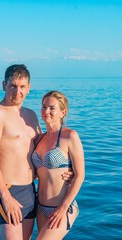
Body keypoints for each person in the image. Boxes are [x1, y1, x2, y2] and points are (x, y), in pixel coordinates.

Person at [0, 64, 73, 240]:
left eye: (22, 86)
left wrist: (67, 171)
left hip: (30, 190)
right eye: (13, 85)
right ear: (3, 85)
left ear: (29, 88)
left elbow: (45, 148)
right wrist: (5, 197)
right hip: (8, 189)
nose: (17, 91)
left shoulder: (30, 115)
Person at [32, 90, 85, 239]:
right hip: (40, 207)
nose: (46, 111)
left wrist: (63, 208)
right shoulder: (38, 139)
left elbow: (80, 175)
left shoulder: (70, 136)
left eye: (52, 108)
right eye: (43, 107)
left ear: (63, 112)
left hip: (62, 207)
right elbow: (37, 172)